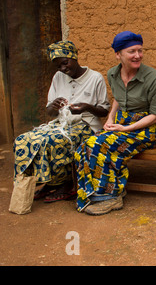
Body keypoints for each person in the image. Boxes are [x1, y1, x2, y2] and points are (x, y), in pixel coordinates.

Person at [75, 31, 156, 215]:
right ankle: (97, 193)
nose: (138, 55)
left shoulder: (153, 77)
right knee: (85, 146)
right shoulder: (113, 74)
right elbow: (117, 98)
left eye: (140, 50)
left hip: (145, 129)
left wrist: (126, 128)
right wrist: (110, 118)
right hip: (121, 124)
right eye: (132, 51)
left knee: (99, 145)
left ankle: (111, 197)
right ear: (118, 54)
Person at [13, 41, 110, 203]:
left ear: (74, 57)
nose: (63, 69)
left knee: (54, 141)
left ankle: (66, 185)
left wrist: (86, 107)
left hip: (87, 126)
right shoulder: (58, 77)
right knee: (23, 140)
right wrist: (54, 105)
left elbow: (104, 110)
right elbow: (50, 112)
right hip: (61, 125)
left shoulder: (95, 78)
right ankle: (48, 182)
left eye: (65, 63)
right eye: (59, 66)